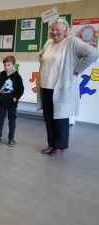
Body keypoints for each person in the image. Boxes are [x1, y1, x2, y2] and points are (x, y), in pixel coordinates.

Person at [38, 18, 99, 156]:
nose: (54, 32)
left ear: (65, 30)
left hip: (61, 87)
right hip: (46, 86)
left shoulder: (71, 41)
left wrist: (77, 69)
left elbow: (93, 53)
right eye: (52, 29)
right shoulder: (48, 43)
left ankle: (59, 146)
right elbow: (41, 56)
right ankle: (51, 144)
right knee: (48, 117)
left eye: (58, 30)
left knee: (60, 117)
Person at [0, 55, 24, 147]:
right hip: (1, 103)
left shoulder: (17, 77)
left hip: (12, 103)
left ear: (14, 65)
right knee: (0, 119)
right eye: (5, 65)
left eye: (8, 65)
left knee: (12, 120)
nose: (6, 67)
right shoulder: (0, 76)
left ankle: (11, 138)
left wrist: (16, 97)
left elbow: (21, 89)